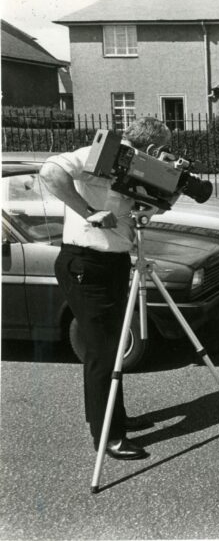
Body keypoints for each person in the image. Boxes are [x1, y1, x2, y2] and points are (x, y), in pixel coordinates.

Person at [39, 116, 172, 461]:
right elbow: (50, 172)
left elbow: (132, 212)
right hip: (85, 263)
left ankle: (113, 416)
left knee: (111, 347)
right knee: (102, 350)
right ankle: (108, 437)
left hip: (111, 263)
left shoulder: (133, 170)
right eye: (163, 152)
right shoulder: (101, 154)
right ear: (153, 148)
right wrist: (88, 212)